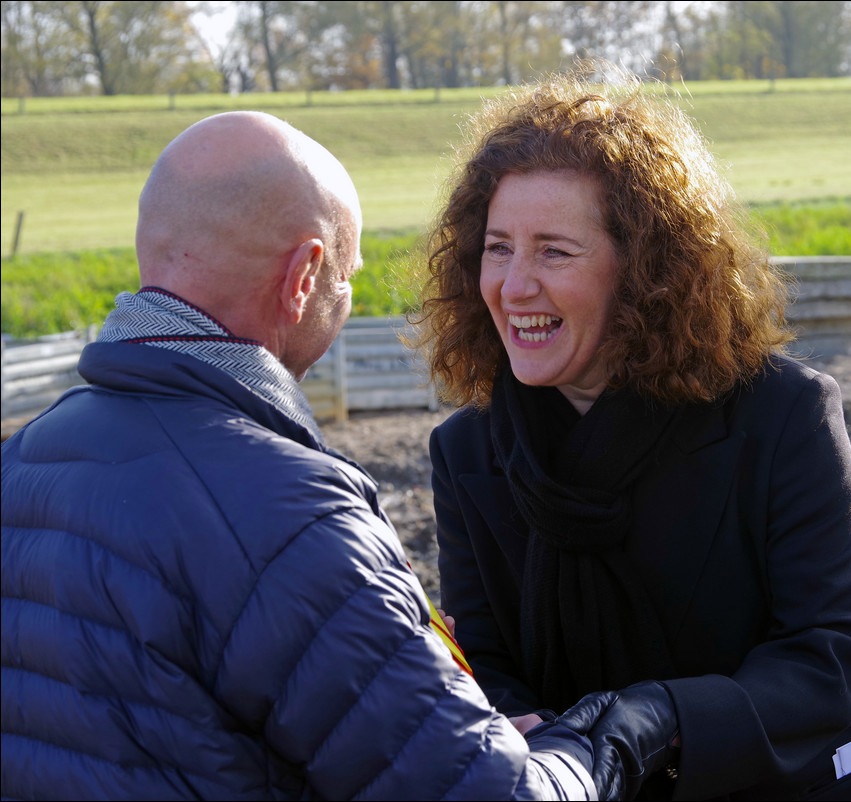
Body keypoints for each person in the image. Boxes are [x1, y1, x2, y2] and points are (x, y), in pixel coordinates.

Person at [0, 111, 596, 801]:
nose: (344, 302)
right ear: (305, 277)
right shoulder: (287, 516)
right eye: (347, 277)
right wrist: (594, 741)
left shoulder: (24, 462)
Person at [411, 67, 851, 800]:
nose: (514, 285)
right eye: (498, 248)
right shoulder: (465, 452)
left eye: (554, 251)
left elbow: (832, 657)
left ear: (648, 271)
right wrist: (531, 734)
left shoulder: (784, 414)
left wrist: (659, 717)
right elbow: (486, 660)